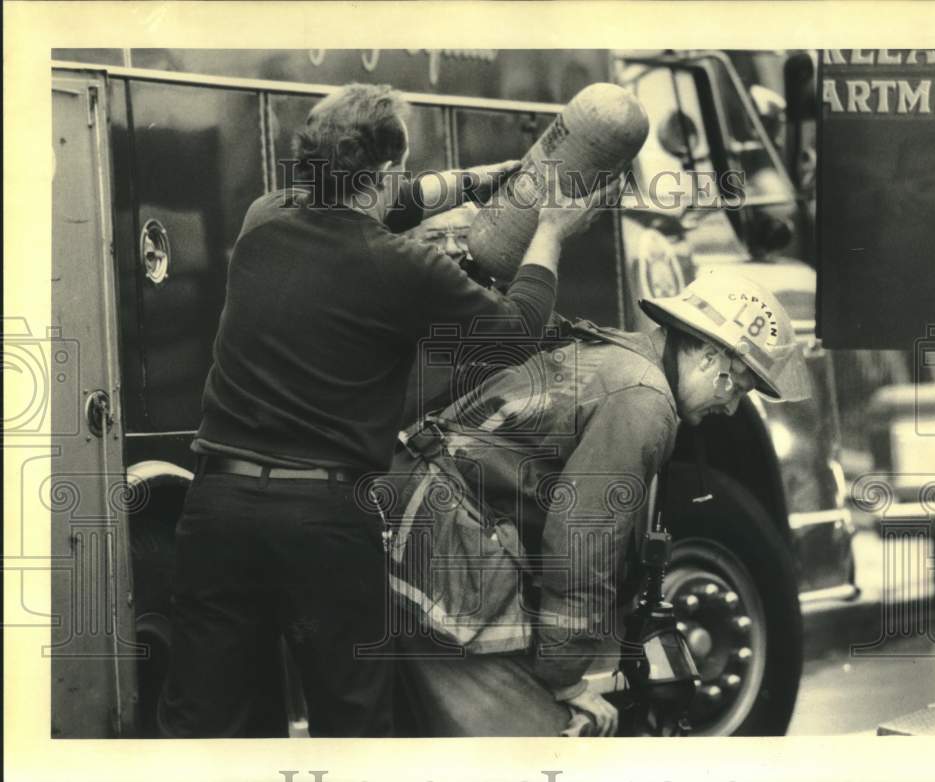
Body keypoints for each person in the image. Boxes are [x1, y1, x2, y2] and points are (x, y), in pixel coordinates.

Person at [157, 82, 609, 738]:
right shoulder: (403, 267)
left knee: (210, 724)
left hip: (216, 512)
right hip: (322, 525)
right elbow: (515, 332)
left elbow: (383, 203)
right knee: (353, 722)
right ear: (386, 172)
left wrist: (473, 182)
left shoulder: (264, 217)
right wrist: (550, 233)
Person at [385, 270, 811, 736]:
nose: (730, 408)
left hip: (428, 539)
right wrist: (565, 680)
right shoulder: (643, 401)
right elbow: (583, 543)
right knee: (539, 752)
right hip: (445, 562)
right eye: (738, 386)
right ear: (710, 357)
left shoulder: (621, 360)